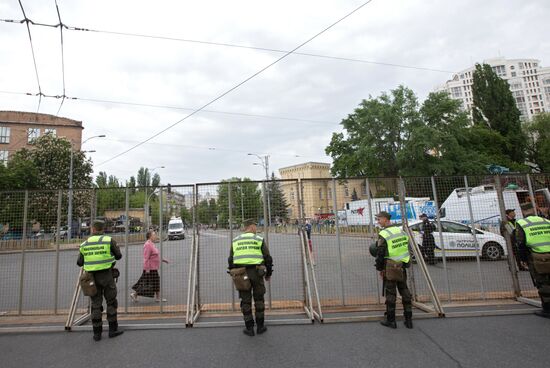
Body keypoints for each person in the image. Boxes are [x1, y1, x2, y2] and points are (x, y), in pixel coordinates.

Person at [77, 220, 124, 341]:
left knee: (96, 304)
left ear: (92, 229)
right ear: (103, 229)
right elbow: (119, 256)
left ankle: (97, 334)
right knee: (111, 302)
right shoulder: (108, 240)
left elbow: (79, 262)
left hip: (92, 278)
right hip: (107, 276)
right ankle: (113, 330)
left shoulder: (84, 244)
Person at [228, 219, 273, 336]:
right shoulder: (258, 239)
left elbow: (231, 260)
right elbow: (267, 257)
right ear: (251, 227)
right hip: (257, 272)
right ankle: (260, 326)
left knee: (245, 301)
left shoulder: (236, 241)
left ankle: (249, 328)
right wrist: (268, 274)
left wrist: (233, 273)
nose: (256, 229)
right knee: (259, 299)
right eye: (255, 227)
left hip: (241, 273)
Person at [375, 211, 413, 329]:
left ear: (385, 219)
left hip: (390, 266)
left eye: (379, 219)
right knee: (404, 291)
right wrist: (405, 264)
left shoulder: (384, 233)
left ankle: (391, 320)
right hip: (401, 265)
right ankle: (408, 319)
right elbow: (407, 248)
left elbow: (380, 252)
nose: (378, 221)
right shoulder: (400, 231)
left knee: (390, 293)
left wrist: (380, 268)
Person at [516, 214, 550, 318]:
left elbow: (521, 243)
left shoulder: (522, 224)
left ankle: (547, 309)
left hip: (538, 257)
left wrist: (522, 259)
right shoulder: (546, 221)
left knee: (543, 282)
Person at [131, 230, 169, 302]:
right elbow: (146, 258)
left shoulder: (151, 244)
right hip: (150, 268)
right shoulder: (148, 245)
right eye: (154, 235)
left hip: (153, 268)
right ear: (150, 236)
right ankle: (157, 298)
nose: (155, 236)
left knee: (146, 282)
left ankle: (134, 295)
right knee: (153, 282)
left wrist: (163, 260)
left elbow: (156, 256)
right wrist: (147, 269)